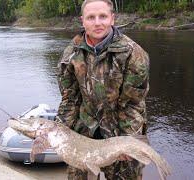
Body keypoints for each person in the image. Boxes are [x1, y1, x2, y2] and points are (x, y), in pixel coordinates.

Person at [55, 0, 150, 179]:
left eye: (103, 16)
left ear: (112, 19)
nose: (97, 23)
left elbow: (133, 104)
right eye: (91, 17)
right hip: (83, 133)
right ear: (82, 21)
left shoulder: (134, 54)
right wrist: (59, 132)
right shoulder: (71, 53)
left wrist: (127, 142)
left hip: (121, 130)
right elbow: (70, 100)